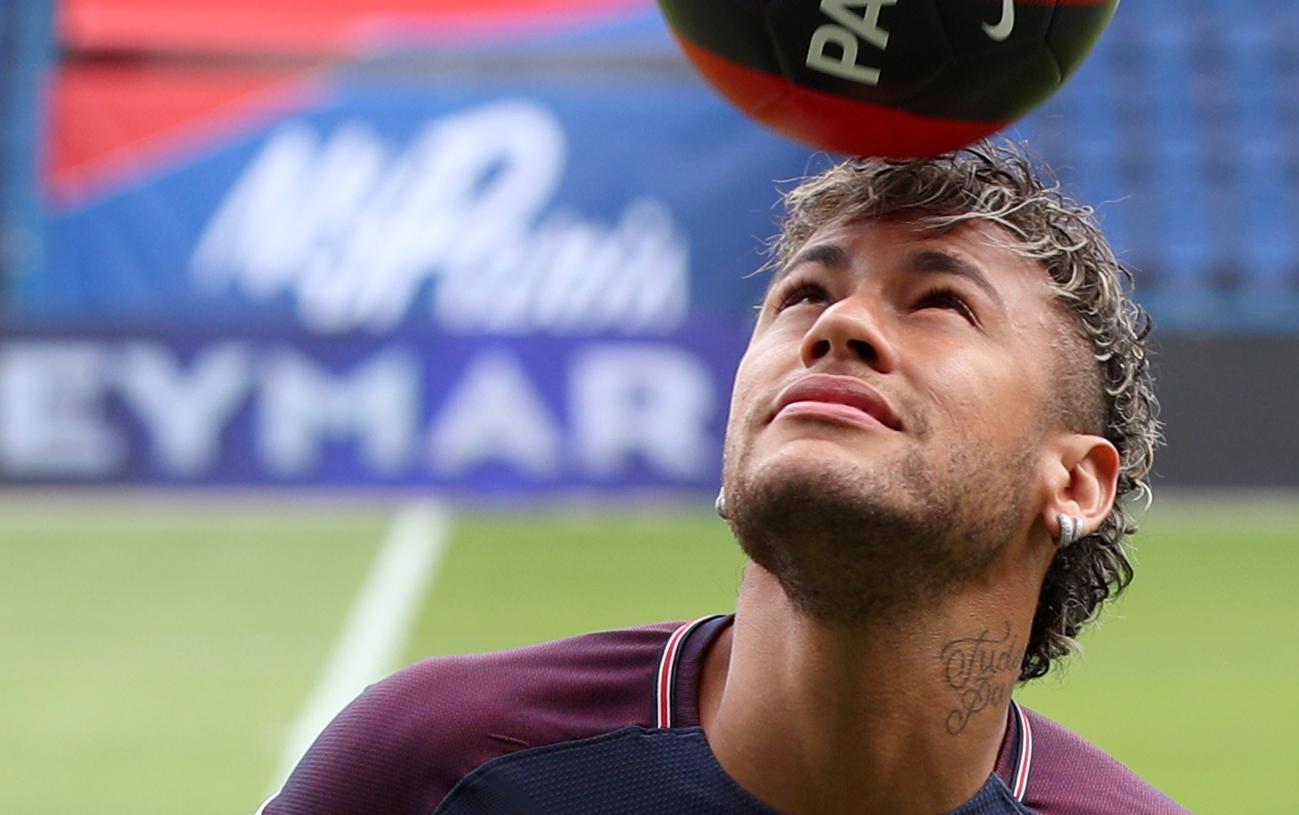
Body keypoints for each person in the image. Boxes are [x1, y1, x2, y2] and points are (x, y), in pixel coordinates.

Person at [266, 143, 1190, 815]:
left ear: (1073, 481)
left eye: (940, 302)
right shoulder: (432, 769)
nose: (839, 327)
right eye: (803, 294)